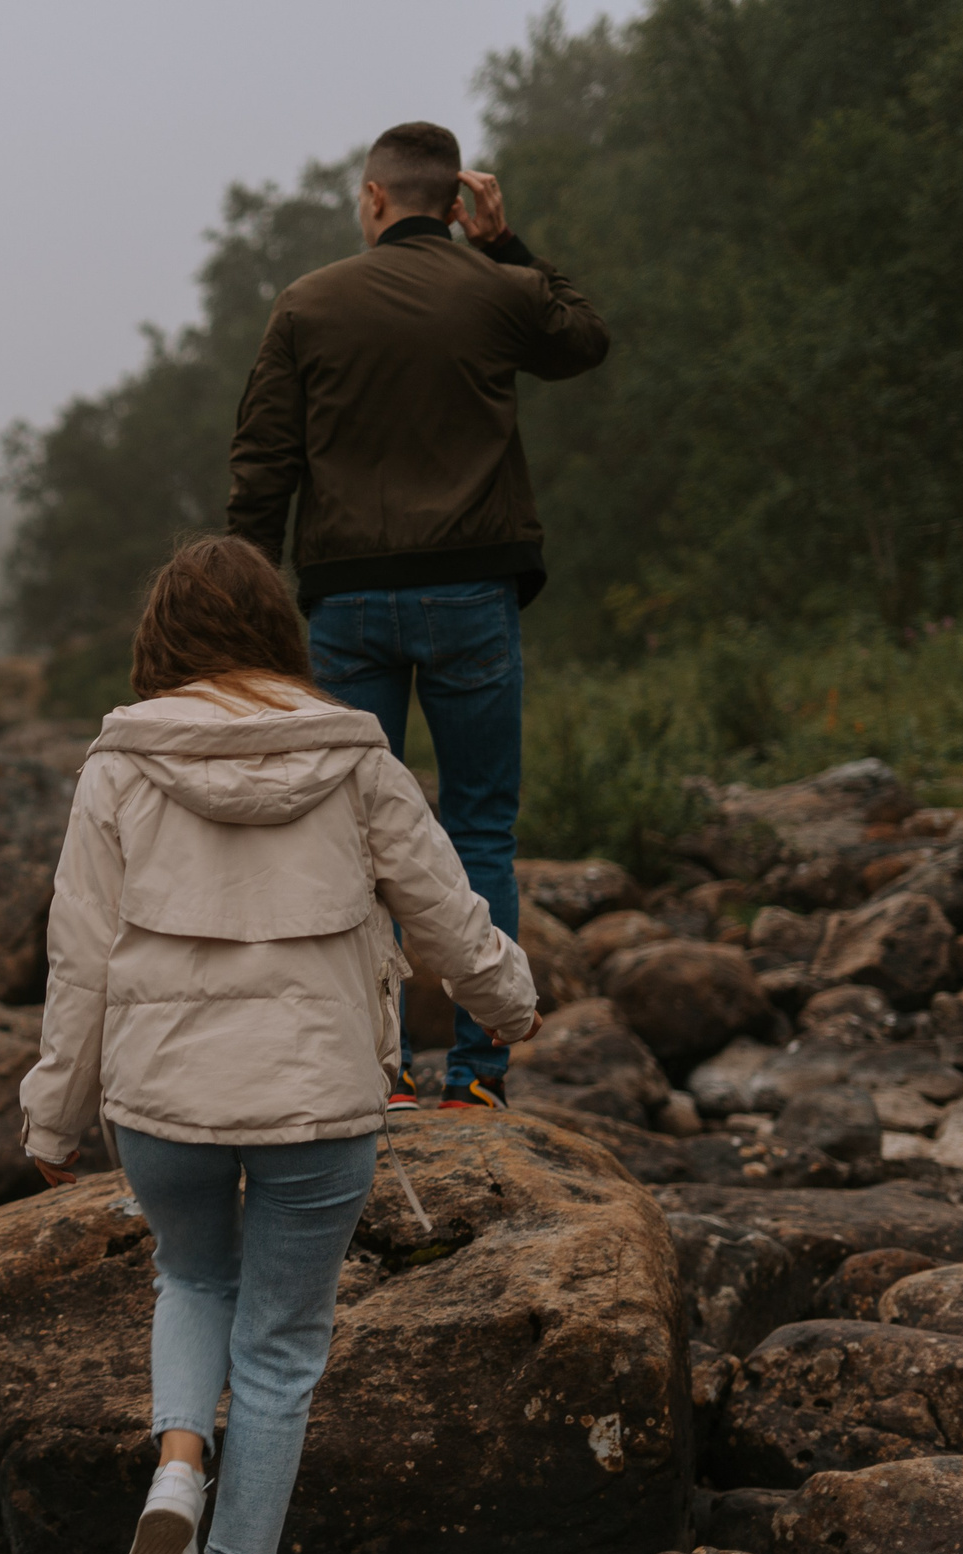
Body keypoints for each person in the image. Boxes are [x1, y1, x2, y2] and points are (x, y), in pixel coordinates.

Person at [18, 534, 537, 1554]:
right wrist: (512, 1002)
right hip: (316, 1101)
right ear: (278, 634)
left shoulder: (117, 766)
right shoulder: (357, 759)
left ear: (162, 641)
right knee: (282, 1347)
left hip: (162, 1096)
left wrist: (52, 1119)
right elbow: (446, 915)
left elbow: (79, 962)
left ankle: (175, 1463)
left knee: (193, 1276)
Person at [224, 120, 606, 1110]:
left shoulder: (308, 303)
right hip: (472, 596)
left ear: (375, 198)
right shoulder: (494, 289)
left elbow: (264, 464)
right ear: (454, 202)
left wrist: (247, 605)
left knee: (353, 843)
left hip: (347, 602)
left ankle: (379, 1074)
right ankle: (478, 1078)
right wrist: (507, 243)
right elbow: (582, 340)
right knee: (478, 826)